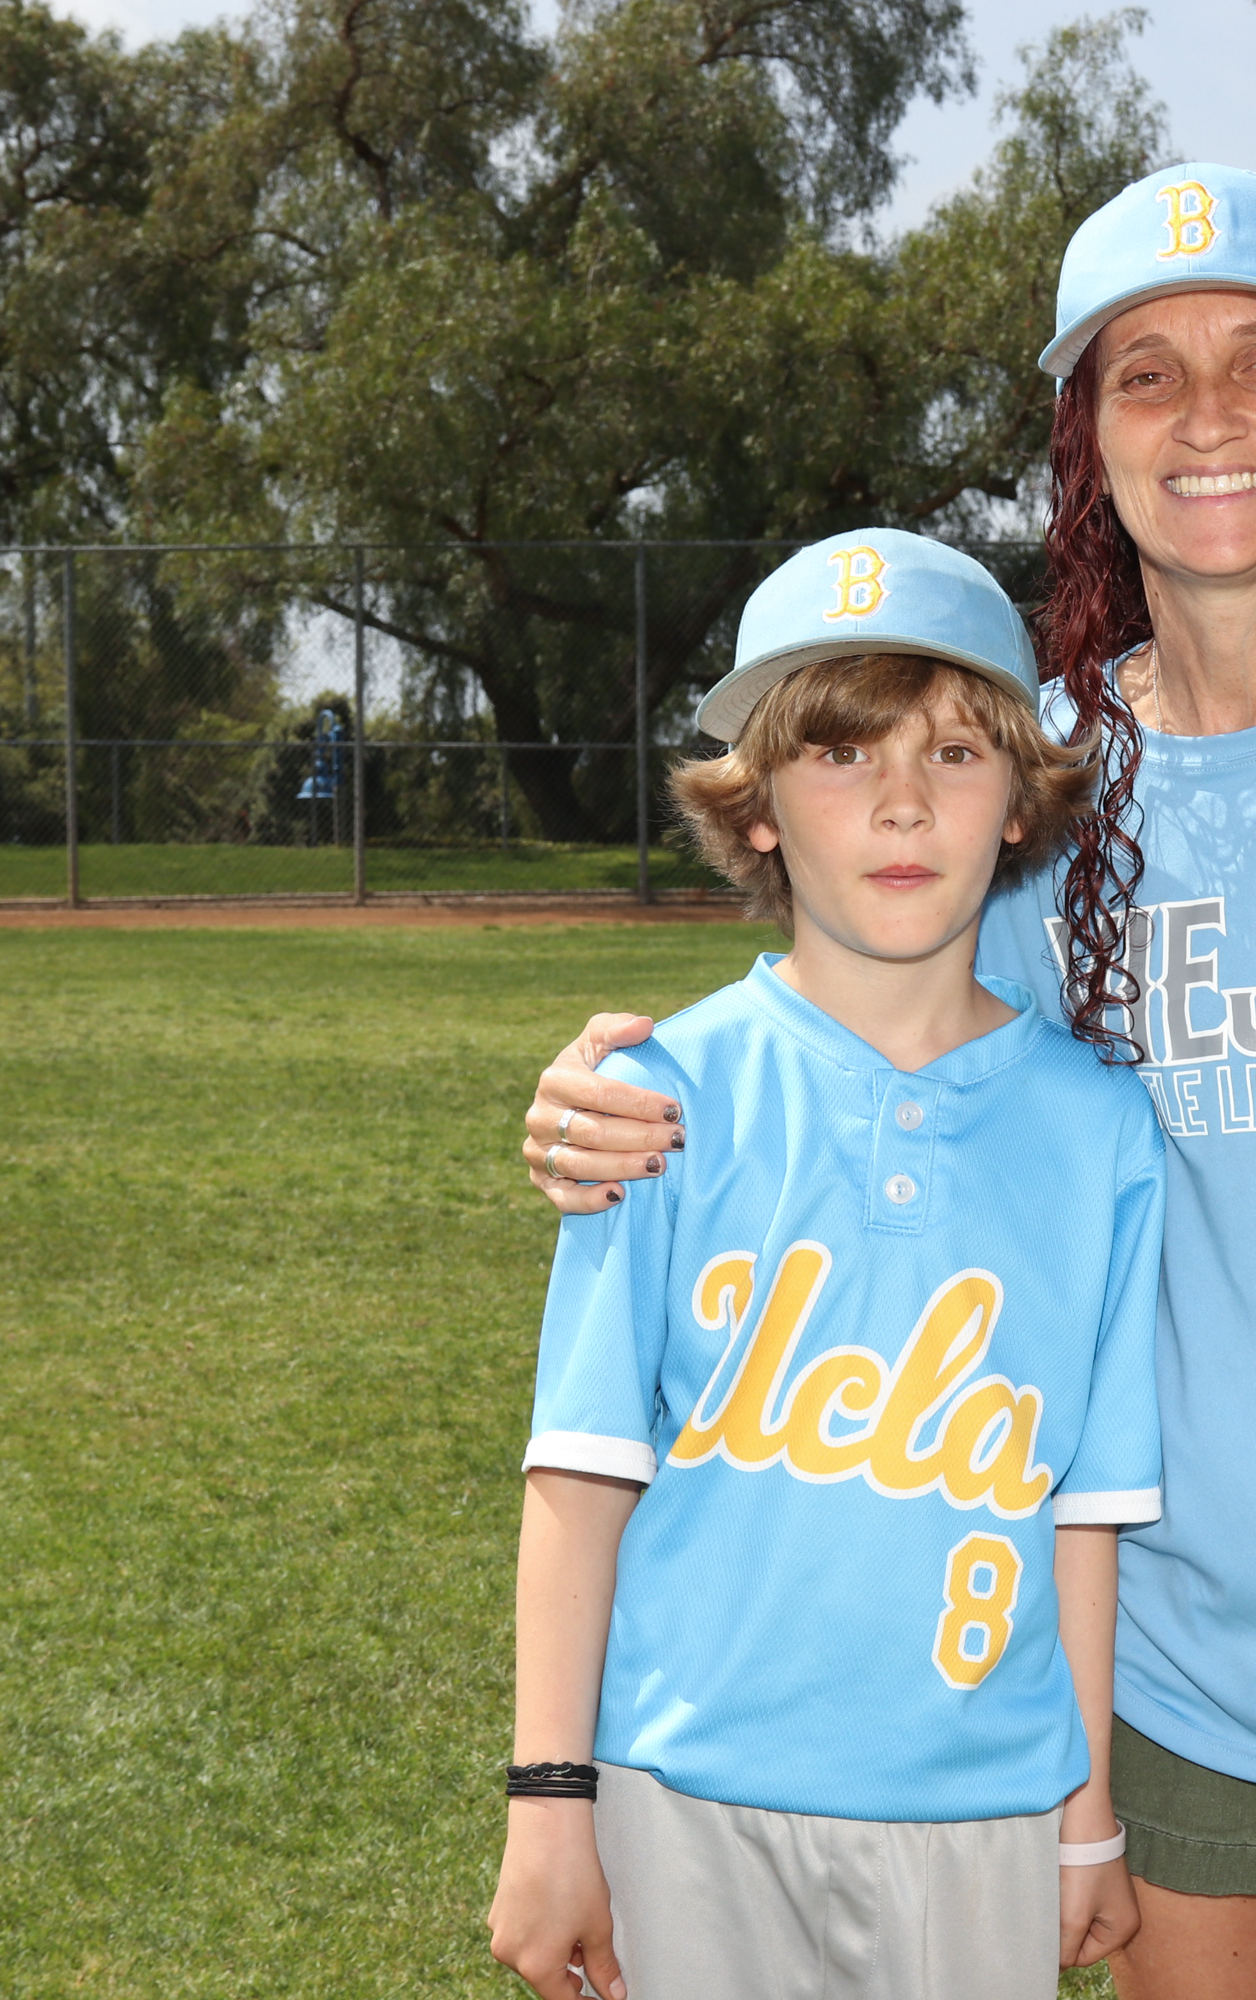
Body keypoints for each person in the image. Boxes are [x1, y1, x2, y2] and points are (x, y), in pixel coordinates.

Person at [523, 166, 1256, 2000]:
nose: (1208, 416)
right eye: (1145, 374)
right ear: (1090, 442)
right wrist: (622, 1096)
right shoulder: (1044, 785)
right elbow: (871, 1032)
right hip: (1153, 1642)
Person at [487, 531, 1165, 2000]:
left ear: (1021, 805)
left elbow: (1084, 1516)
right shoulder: (655, 1097)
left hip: (982, 1807)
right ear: (758, 810)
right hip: (682, 1790)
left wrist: (1085, 1818)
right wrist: (549, 1802)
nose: (903, 802)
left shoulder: (1103, 1132)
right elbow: (580, 1473)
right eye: (842, 753)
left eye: (956, 754)